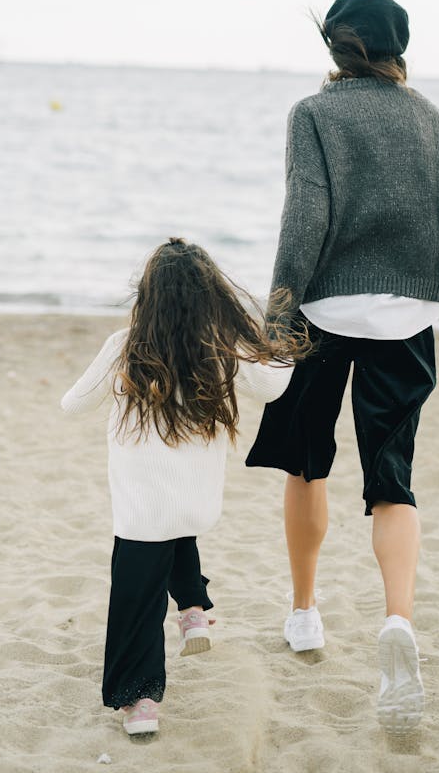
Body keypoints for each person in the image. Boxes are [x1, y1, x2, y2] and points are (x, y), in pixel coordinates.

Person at [245, 0, 439, 733]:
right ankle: (397, 619)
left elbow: (305, 215)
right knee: (391, 478)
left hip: (325, 310)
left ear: (334, 49)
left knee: (307, 463)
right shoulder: (428, 117)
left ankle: (305, 611)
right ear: (400, 45)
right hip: (407, 315)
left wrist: (278, 315)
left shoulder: (313, 115)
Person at [61, 238, 305, 736]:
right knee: (172, 531)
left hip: (140, 511)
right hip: (196, 505)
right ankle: (193, 610)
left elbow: (73, 404)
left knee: (137, 597)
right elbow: (273, 386)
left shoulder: (125, 346)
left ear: (147, 296)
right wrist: (272, 333)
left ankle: (141, 701)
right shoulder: (223, 348)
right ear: (212, 295)